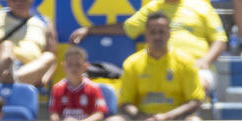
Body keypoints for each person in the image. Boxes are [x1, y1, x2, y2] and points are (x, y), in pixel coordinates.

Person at [70, 0, 227, 96]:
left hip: (195, 67)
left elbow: (220, 40)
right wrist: (90, 30)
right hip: (157, 68)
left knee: (200, 83)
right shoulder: (153, 7)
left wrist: (205, 61)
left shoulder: (202, 6)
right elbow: (126, 28)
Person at [117, 12, 205, 121]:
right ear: (146, 35)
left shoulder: (185, 61)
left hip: (177, 120)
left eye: (161, 32)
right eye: (153, 32)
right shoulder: (132, 63)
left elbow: (195, 101)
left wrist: (167, 116)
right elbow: (125, 103)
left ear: (170, 33)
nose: (157, 36)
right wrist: (144, 118)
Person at [0, 0, 57, 87]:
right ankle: (7, 78)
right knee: (6, 46)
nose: (19, 3)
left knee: (49, 56)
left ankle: (10, 81)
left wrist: (45, 78)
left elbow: (53, 56)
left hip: (29, 71)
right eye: (14, 0)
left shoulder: (45, 22)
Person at [48, 46, 107, 121]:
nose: (74, 68)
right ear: (64, 66)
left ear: (85, 66)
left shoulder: (93, 88)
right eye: (70, 64)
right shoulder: (57, 88)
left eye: (78, 65)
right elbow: (54, 113)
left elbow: (99, 114)